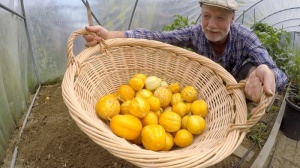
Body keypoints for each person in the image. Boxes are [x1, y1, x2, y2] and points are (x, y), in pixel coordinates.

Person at [83, 0, 288, 112]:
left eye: (220, 18)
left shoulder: (245, 37)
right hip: (204, 91)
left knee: (253, 69)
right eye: (207, 16)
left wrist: (266, 74)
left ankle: (244, 96)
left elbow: (280, 75)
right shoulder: (196, 34)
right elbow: (159, 37)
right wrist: (111, 36)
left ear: (232, 19)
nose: (211, 25)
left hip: (238, 87)